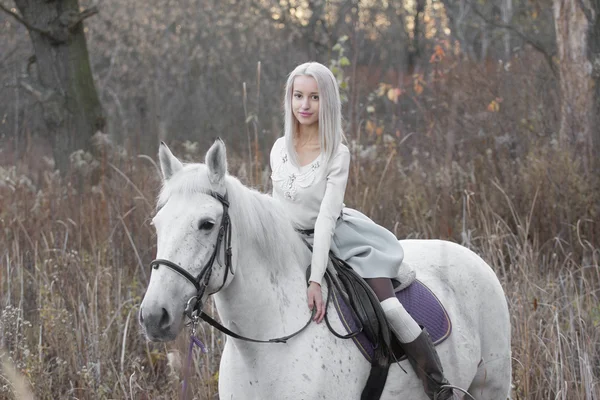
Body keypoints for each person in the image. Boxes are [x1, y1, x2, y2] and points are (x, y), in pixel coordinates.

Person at [269, 61, 454, 400]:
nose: (305, 105)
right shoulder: (279, 148)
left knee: (390, 308)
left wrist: (315, 279)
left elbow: (325, 218)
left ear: (328, 103)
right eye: (298, 96)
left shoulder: (337, 154)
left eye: (314, 97)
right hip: (289, 240)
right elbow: (276, 204)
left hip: (338, 239)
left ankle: (437, 384)